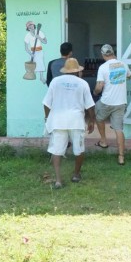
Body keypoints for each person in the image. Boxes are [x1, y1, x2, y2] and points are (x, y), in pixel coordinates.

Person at [43, 58, 95, 188]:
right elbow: (90, 106)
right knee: (79, 149)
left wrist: (47, 118)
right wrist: (92, 121)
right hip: (76, 121)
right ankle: (76, 174)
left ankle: (58, 180)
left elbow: (46, 104)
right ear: (78, 71)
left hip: (58, 120)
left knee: (57, 149)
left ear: (65, 71)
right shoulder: (82, 83)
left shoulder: (55, 82)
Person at [93, 44, 131, 165]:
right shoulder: (123, 64)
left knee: (98, 117)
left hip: (106, 101)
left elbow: (99, 86)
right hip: (121, 102)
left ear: (103, 55)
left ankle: (103, 141)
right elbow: (129, 75)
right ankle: (121, 156)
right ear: (113, 53)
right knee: (118, 129)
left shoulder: (103, 67)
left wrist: (94, 92)